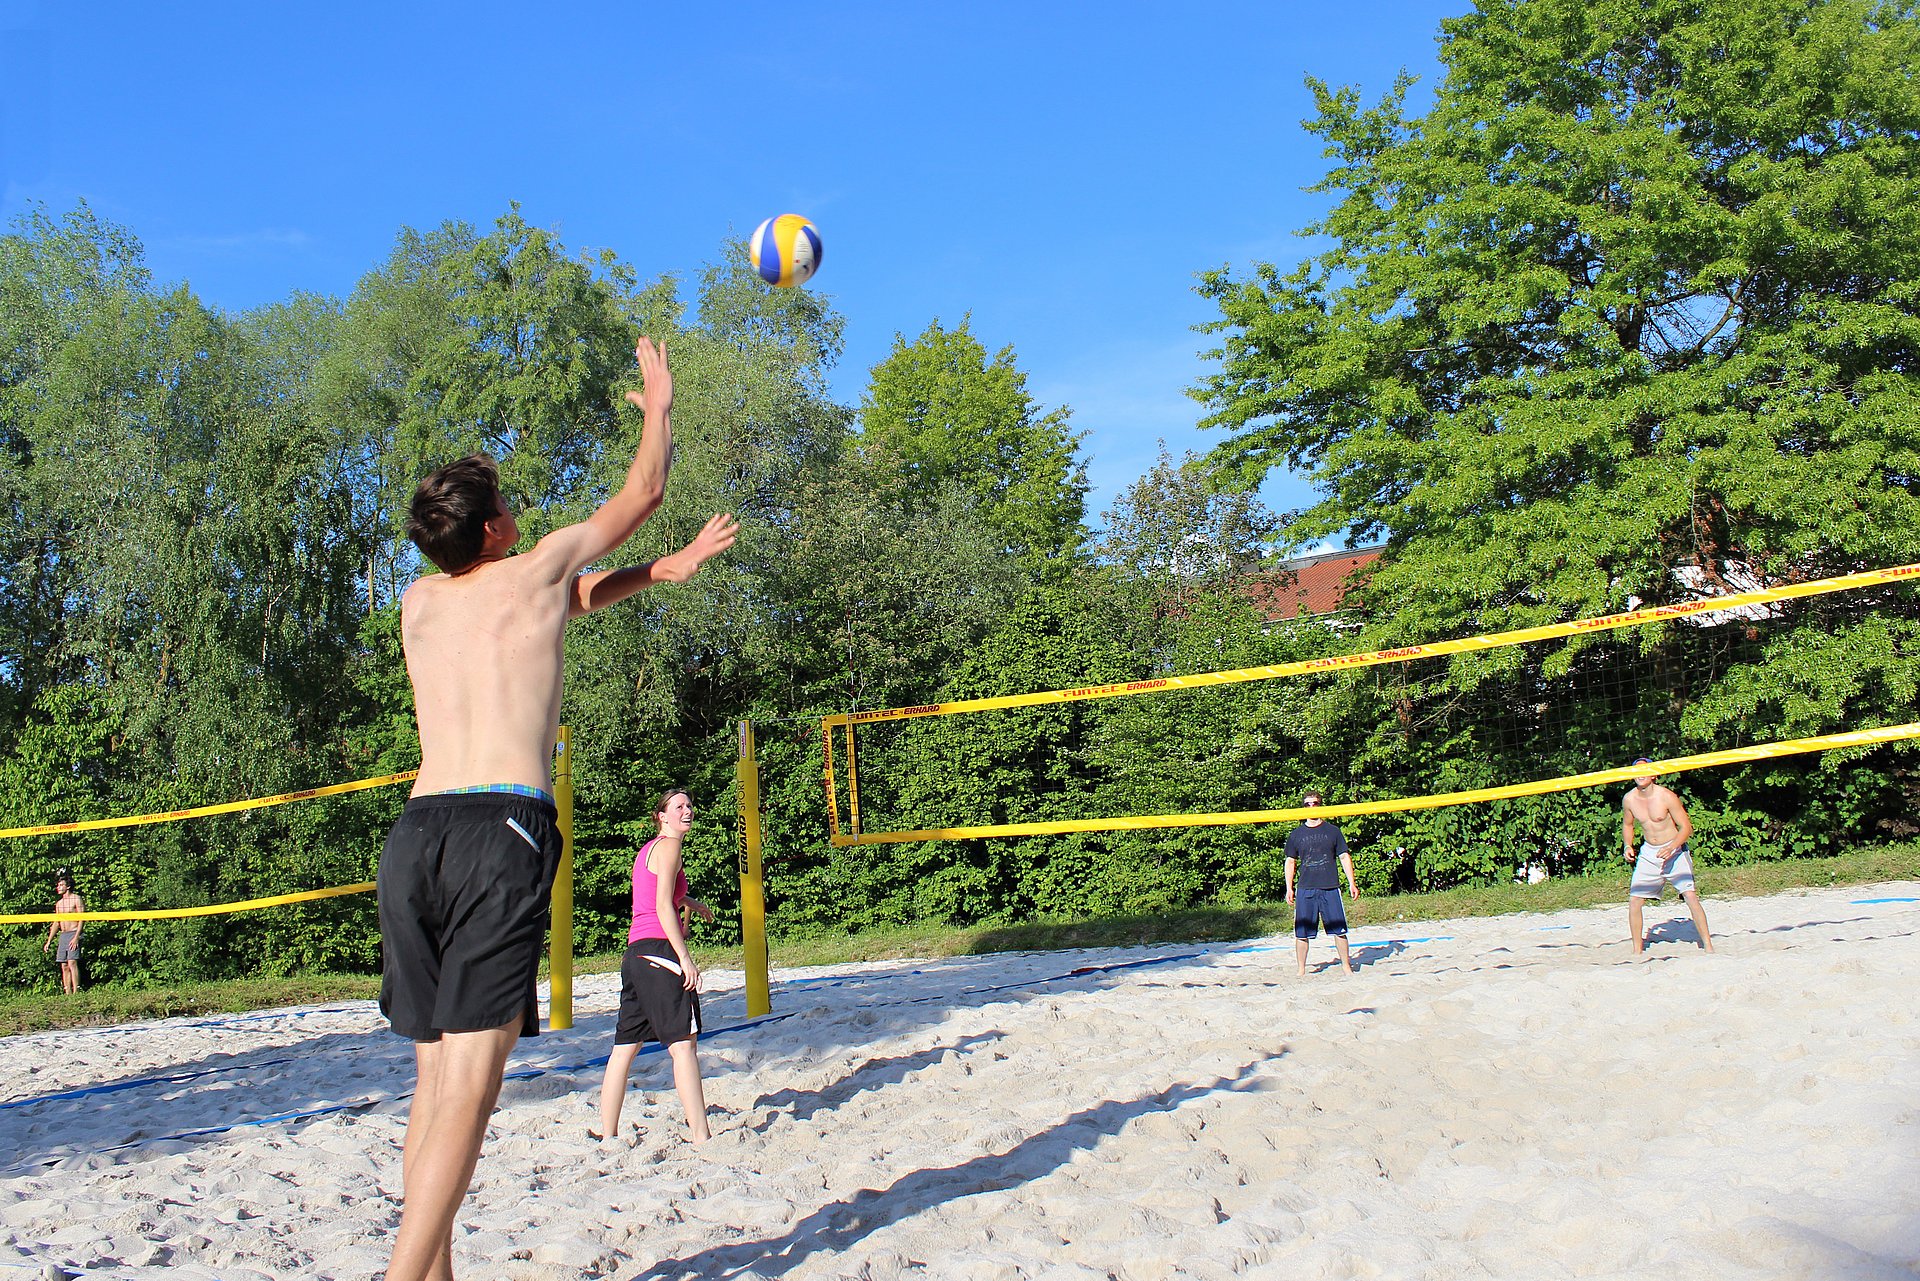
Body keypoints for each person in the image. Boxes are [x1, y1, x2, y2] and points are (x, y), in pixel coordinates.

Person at [378, 337, 738, 1281]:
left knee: (433, 1078)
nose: (516, 514)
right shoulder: (531, 569)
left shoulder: (419, 603)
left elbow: (560, 599)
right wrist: (657, 409)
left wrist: (659, 574)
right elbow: (641, 497)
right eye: (506, 508)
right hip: (499, 826)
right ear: (493, 531)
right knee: (474, 1078)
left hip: (415, 837)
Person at [595, 788, 714, 1145]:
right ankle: (702, 1136)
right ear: (662, 815)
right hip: (659, 950)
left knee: (624, 1048)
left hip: (635, 955)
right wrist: (685, 958)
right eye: (679, 806)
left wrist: (690, 901)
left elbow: (659, 896)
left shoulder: (648, 849)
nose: (687, 810)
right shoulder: (670, 847)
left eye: (690, 805)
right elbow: (663, 907)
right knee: (683, 1046)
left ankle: (607, 1135)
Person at [1623, 757, 1714, 956]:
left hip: (1674, 850)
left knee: (1690, 896)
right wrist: (1628, 845)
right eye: (1637, 770)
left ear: (1654, 775)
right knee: (1635, 900)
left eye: (1646, 769)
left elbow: (1686, 828)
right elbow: (1628, 824)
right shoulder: (1629, 799)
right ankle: (1637, 951)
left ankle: (1708, 945)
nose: (1641, 773)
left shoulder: (1666, 796)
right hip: (1649, 853)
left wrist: (1672, 847)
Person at [1284, 791, 1360, 976]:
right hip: (1306, 889)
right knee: (1302, 933)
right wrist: (1289, 888)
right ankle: (1301, 970)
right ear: (1303, 807)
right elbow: (1290, 861)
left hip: (1330, 886)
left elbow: (1344, 856)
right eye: (1308, 804)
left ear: (1321, 805)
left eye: (1315, 803)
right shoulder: (1296, 834)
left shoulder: (1333, 831)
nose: (1311, 807)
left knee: (1339, 931)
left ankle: (1346, 967)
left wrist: (1352, 883)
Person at [42, 873, 83, 994]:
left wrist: (76, 937)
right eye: (58, 885)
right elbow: (56, 923)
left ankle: (76, 991)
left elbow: (82, 919)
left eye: (61, 885)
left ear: (68, 886)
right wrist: (49, 940)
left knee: (72, 962)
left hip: (74, 932)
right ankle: (67, 992)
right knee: (64, 965)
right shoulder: (59, 904)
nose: (58, 887)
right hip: (64, 934)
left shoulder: (76, 899)